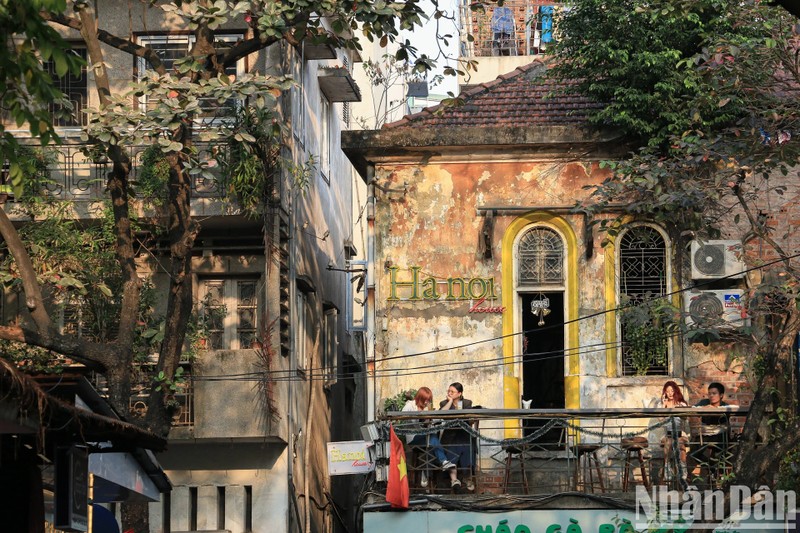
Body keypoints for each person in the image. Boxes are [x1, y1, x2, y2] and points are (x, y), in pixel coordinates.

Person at [402, 387, 456, 487]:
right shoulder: (410, 405)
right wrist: (420, 418)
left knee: (431, 440)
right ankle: (442, 462)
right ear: (420, 398)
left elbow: (439, 415)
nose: (427, 401)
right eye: (425, 399)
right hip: (413, 438)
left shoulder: (427, 408)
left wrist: (450, 401)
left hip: (426, 438)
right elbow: (402, 417)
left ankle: (425, 473)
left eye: (429, 399)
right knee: (432, 436)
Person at [691, 382, 731, 485]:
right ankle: (711, 467)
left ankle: (716, 476)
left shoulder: (725, 405)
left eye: (714, 393)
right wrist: (705, 408)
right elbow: (693, 409)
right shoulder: (704, 402)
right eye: (710, 393)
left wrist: (715, 409)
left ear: (721, 395)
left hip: (720, 435)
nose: (711, 396)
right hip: (705, 435)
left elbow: (731, 409)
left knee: (721, 454)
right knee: (694, 452)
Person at [439, 382, 476, 491]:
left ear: (459, 393)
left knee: (468, 446)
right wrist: (450, 401)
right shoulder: (444, 403)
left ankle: (467, 478)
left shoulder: (467, 403)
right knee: (452, 448)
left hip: (464, 433)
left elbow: (469, 419)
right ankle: (454, 480)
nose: (449, 393)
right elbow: (441, 415)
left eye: (452, 392)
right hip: (450, 434)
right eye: (448, 391)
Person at [654, 381, 690, 484]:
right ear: (664, 392)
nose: (670, 393)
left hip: (680, 434)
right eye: (667, 391)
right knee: (669, 442)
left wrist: (679, 410)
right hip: (667, 434)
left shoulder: (681, 404)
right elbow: (660, 420)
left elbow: (686, 418)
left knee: (680, 445)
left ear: (676, 391)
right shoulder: (663, 405)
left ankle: (682, 473)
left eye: (672, 391)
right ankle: (668, 470)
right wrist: (664, 407)